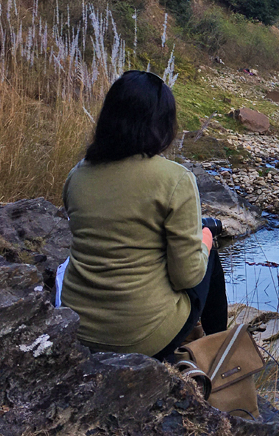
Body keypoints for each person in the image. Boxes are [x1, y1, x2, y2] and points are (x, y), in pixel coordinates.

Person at [60, 70, 228, 361]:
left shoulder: (77, 175)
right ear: (162, 125)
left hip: (79, 328)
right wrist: (204, 240)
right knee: (207, 251)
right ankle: (220, 355)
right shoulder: (174, 178)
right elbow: (186, 276)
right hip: (141, 336)